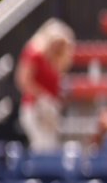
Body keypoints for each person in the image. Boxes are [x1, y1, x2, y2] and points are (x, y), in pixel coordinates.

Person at [15, 17, 75, 152]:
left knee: (51, 146)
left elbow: (59, 79)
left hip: (51, 109)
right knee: (42, 146)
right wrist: (43, 97)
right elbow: (23, 80)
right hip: (35, 108)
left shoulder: (54, 57)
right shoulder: (34, 52)